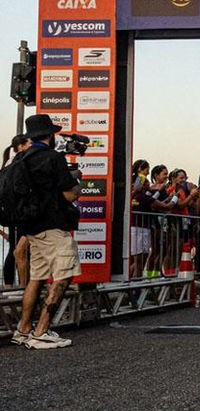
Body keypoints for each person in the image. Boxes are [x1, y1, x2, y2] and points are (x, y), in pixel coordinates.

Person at [10, 114, 81, 349]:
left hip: (32, 227)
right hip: (53, 226)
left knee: (37, 278)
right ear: (50, 135)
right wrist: (77, 183)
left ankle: (23, 329)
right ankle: (41, 331)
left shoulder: (21, 158)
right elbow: (69, 195)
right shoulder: (53, 158)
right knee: (64, 275)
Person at [3, 134, 31, 288]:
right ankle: (21, 286)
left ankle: (13, 286)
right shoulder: (17, 164)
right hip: (20, 214)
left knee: (16, 250)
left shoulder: (9, 164)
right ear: (21, 146)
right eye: (29, 143)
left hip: (13, 214)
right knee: (19, 251)